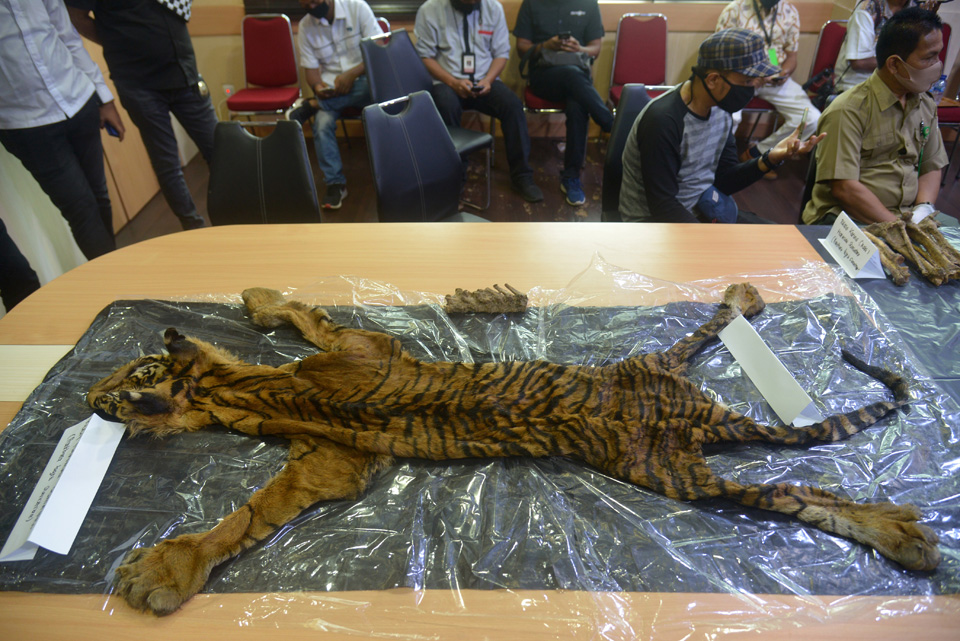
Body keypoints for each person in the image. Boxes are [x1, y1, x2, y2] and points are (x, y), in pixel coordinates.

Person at [619, 28, 823, 223]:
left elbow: (724, 180)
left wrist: (769, 159)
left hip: (701, 209)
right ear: (713, 79)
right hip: (653, 225)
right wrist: (713, 241)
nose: (753, 89)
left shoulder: (720, 109)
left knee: (776, 241)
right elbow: (663, 205)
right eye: (747, 82)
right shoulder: (664, 120)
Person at [66, 0, 218, 230]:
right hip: (139, 84)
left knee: (221, 151)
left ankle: (234, 214)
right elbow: (75, 16)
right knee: (167, 162)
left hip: (184, 73)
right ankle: (193, 228)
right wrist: (117, 41)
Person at [802, 7, 951, 226]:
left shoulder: (924, 104)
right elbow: (845, 188)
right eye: (929, 57)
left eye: (938, 54)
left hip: (905, 215)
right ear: (894, 64)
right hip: (848, 218)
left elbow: (931, 165)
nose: (937, 65)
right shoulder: (848, 110)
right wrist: (900, 229)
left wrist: (923, 208)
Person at [0, 0, 122, 260]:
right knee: (81, 209)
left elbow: (67, 35)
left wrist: (104, 98)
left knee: (99, 197)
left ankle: (114, 270)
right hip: (28, 124)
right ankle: (117, 287)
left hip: (78, 97)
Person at [414, 0, 544, 203]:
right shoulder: (429, 10)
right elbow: (425, 56)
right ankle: (454, 176)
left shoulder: (494, 8)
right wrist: (453, 81)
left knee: (512, 105)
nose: (473, 2)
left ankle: (522, 176)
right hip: (447, 81)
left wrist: (488, 80)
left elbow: (501, 53)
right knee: (445, 105)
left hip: (485, 80)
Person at [286, 0, 384, 210]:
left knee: (370, 86)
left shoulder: (357, 8)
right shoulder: (305, 26)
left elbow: (380, 50)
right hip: (333, 91)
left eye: (314, 1)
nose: (311, 7)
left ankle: (314, 104)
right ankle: (335, 183)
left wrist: (352, 74)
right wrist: (318, 87)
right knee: (321, 125)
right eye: (305, 4)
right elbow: (311, 72)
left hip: (366, 82)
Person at [514, 0, 614, 206]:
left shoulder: (589, 4)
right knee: (574, 81)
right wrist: (545, 46)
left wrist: (579, 48)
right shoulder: (532, 4)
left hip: (578, 76)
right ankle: (611, 124)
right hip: (543, 76)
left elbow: (595, 48)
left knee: (578, 103)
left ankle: (571, 176)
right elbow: (521, 48)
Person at [716, 0, 820, 164]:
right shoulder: (734, 10)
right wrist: (750, 76)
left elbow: (791, 58)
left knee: (811, 118)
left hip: (774, 79)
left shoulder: (789, 11)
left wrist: (783, 73)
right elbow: (721, 55)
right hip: (741, 78)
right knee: (729, 117)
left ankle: (759, 156)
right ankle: (718, 164)